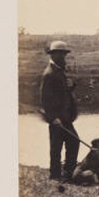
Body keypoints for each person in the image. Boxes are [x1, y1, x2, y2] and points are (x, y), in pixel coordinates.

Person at [40, 40, 79, 181]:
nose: (64, 57)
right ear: (53, 55)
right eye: (61, 55)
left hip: (65, 117)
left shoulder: (59, 71)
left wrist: (72, 85)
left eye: (64, 54)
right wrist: (53, 118)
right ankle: (56, 175)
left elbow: (63, 92)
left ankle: (68, 173)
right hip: (57, 118)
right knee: (56, 147)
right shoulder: (49, 74)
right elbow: (45, 99)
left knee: (73, 142)